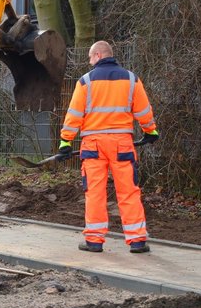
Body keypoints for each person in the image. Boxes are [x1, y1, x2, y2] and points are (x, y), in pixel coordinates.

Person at [58, 40, 159, 254]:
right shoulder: (132, 79)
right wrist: (150, 131)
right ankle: (137, 241)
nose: (88, 61)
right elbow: (143, 111)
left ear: (97, 55)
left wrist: (66, 141)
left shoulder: (85, 81)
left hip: (93, 145)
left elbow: (74, 114)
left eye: (89, 57)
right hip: (122, 143)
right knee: (129, 192)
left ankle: (94, 241)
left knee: (95, 192)